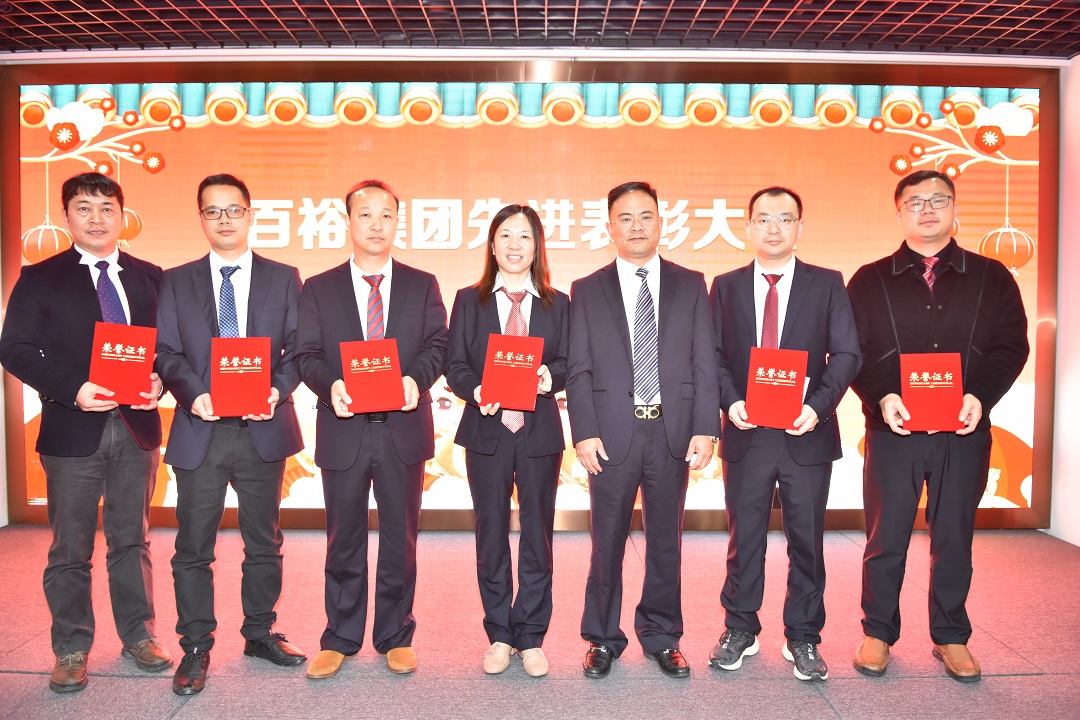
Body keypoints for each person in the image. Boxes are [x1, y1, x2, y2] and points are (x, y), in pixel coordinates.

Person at [847, 170, 1029, 683]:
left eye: (938, 200)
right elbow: (852, 350)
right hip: (893, 431)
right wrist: (882, 396)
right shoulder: (870, 279)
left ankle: (951, 635)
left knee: (954, 535)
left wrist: (980, 396)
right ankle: (878, 631)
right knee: (885, 537)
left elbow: (1012, 345)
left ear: (955, 208)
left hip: (963, 432)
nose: (927, 210)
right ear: (898, 212)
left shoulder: (992, 277)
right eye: (915, 202)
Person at [0, 172, 171, 692]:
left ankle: (138, 634)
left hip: (136, 427)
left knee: (132, 539)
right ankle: (71, 647)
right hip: (72, 428)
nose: (96, 218)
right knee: (70, 547)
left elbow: (168, 347)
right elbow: (15, 348)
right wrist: (73, 388)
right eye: (84, 208)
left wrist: (160, 380)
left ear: (122, 215)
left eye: (106, 208)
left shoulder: (151, 277)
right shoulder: (40, 277)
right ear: (66, 216)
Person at [155, 174, 307, 695]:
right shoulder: (176, 280)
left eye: (233, 209)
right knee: (193, 545)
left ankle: (259, 633)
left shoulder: (284, 277)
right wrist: (192, 392)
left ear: (250, 214)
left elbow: (299, 349)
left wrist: (276, 390)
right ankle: (196, 645)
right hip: (202, 428)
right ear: (200, 218)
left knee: (264, 540)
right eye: (212, 211)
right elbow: (166, 351)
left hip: (262, 427)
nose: (224, 219)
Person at [566, 181, 720, 679]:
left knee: (666, 541)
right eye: (626, 218)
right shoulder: (587, 289)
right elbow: (578, 368)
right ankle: (602, 637)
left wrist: (706, 427)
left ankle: (662, 635)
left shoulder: (690, 283)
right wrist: (584, 431)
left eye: (646, 216)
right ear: (609, 226)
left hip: (672, 433)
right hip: (611, 435)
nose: (636, 226)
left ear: (660, 222)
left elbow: (704, 361)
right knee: (606, 541)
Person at [708, 187, 861, 682]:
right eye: (763, 218)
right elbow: (712, 355)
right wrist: (731, 402)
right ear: (748, 227)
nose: (773, 228)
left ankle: (803, 635)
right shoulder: (726, 286)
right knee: (744, 538)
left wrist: (817, 408)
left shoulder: (827, 283)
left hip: (806, 433)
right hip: (747, 433)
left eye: (785, 218)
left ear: (800, 227)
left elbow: (847, 354)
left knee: (807, 540)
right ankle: (740, 628)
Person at [296, 179, 448, 679]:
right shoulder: (319, 287)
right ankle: (340, 636)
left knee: (401, 539)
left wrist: (414, 380)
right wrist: (332, 385)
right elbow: (306, 355)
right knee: (343, 537)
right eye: (365, 215)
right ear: (348, 222)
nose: (376, 224)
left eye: (386, 215)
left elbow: (438, 345)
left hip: (402, 429)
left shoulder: (422, 284)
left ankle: (395, 634)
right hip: (344, 429)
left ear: (397, 222)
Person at [446, 204, 569, 678]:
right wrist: (476, 391)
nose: (515, 245)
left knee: (538, 536)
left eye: (525, 236)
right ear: (492, 244)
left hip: (538, 433)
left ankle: (531, 635)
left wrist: (548, 377)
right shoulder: (468, 301)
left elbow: (571, 361)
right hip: (487, 432)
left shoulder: (559, 304)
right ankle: (499, 633)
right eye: (506, 236)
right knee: (491, 534)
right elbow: (455, 365)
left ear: (537, 246)